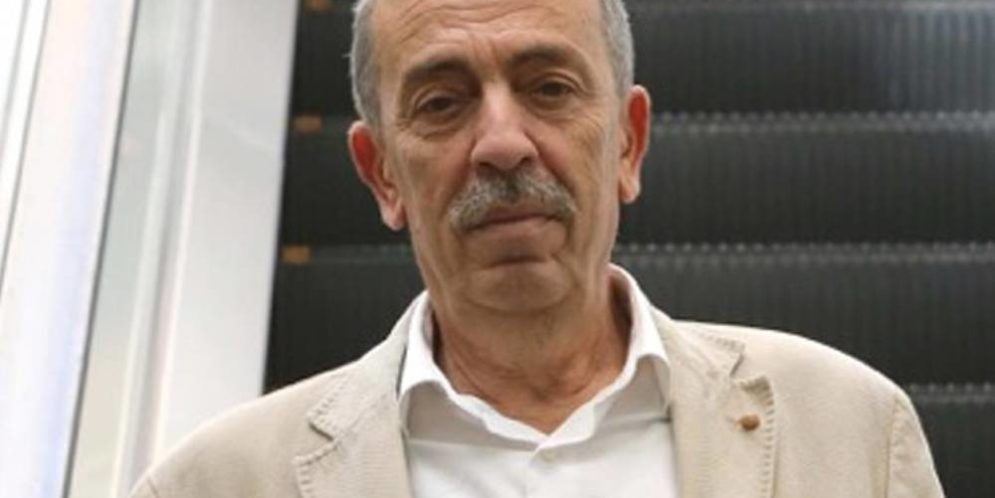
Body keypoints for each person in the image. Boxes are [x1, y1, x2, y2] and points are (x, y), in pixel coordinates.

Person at [130, 0, 944, 496]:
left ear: (627, 143)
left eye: (548, 88)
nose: (501, 144)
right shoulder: (214, 485)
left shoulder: (850, 432)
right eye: (442, 103)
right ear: (382, 174)